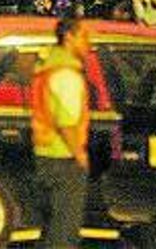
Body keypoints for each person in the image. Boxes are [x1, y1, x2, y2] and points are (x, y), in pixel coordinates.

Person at [31, 16, 91, 249]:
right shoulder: (66, 74)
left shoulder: (46, 67)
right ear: (69, 37)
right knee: (64, 231)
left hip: (44, 152)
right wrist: (79, 154)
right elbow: (66, 121)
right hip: (63, 157)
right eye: (84, 37)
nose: (88, 43)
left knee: (50, 227)